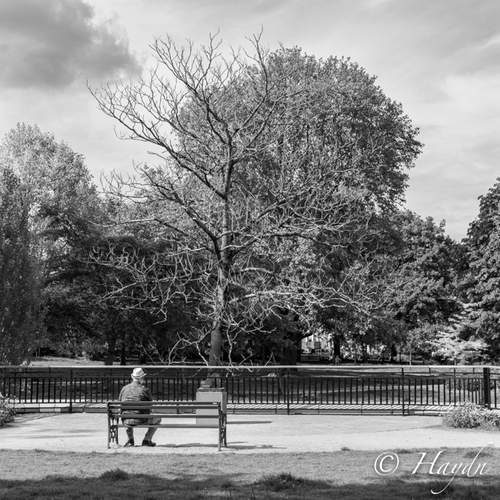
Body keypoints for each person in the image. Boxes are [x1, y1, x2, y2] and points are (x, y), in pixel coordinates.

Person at [118, 367, 161, 447]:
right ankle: (147, 440)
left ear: (132, 377)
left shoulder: (124, 389)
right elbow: (151, 406)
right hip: (142, 420)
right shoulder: (145, 390)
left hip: (126, 420)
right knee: (158, 418)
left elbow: (120, 404)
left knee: (126, 414)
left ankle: (130, 440)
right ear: (142, 378)